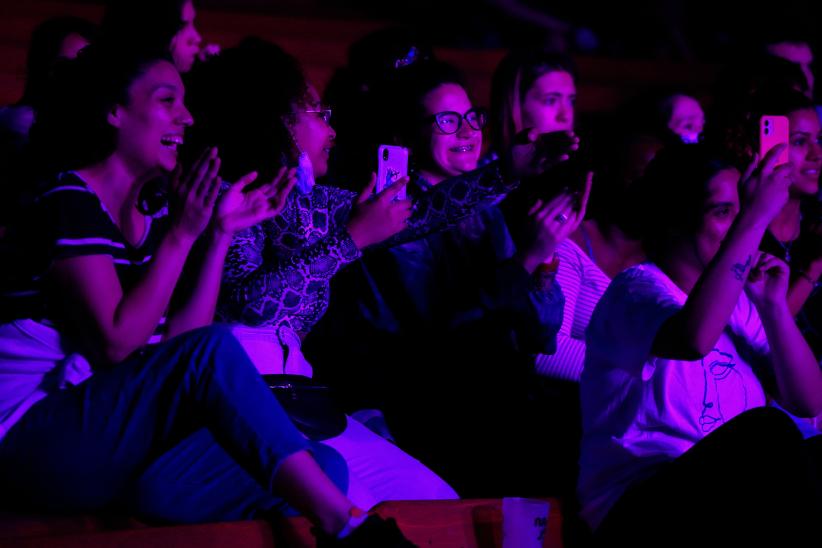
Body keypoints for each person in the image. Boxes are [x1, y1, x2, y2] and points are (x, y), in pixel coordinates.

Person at [0, 44, 413, 546]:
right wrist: (181, 236)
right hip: (35, 438)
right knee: (224, 357)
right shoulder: (68, 198)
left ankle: (331, 518)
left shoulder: (151, 213)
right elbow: (116, 344)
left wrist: (215, 234)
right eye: (167, 100)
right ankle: (348, 527)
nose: (186, 117)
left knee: (321, 466)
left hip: (115, 444)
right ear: (114, 111)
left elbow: (180, 343)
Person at [579, 143, 822, 545]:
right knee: (767, 435)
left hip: (726, 502)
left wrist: (775, 307)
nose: (741, 226)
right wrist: (758, 214)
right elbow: (693, 339)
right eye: (725, 212)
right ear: (677, 221)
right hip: (637, 508)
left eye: (741, 210)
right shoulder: (636, 289)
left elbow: (810, 400)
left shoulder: (745, 304)